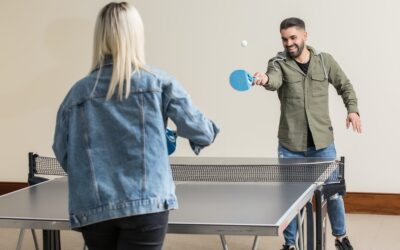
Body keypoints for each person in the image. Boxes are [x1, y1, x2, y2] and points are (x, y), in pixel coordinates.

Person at [52, 2, 219, 250]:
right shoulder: (159, 83)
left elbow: (62, 150)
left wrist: (93, 172)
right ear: (136, 35)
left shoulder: (76, 94)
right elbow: (202, 132)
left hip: (94, 208)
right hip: (146, 205)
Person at [253, 17, 361, 250]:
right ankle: (290, 245)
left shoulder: (324, 61)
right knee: (291, 201)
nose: (289, 43)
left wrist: (352, 110)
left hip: (323, 143)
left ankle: (341, 238)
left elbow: (345, 86)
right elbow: (273, 80)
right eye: (284, 39)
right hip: (291, 145)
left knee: (333, 193)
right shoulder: (278, 63)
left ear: (304, 36)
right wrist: (264, 79)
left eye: (293, 37)